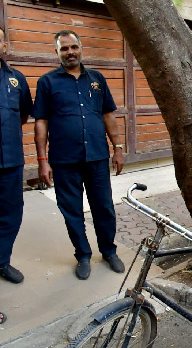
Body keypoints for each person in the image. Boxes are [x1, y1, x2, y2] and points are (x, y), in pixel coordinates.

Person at [33, 30, 125, 280]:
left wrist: (117, 148)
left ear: (80, 49)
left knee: (104, 207)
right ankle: (83, 255)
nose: (70, 52)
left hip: (96, 156)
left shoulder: (96, 79)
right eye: (64, 48)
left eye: (74, 47)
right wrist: (42, 161)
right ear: (57, 53)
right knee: (71, 210)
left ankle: (108, 250)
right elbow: (41, 122)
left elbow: (108, 114)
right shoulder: (47, 82)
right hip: (64, 161)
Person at [0, 27, 33, 284]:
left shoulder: (16, 79)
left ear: (4, 46)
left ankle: (2, 262)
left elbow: (23, 116)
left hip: (11, 161)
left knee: (12, 213)